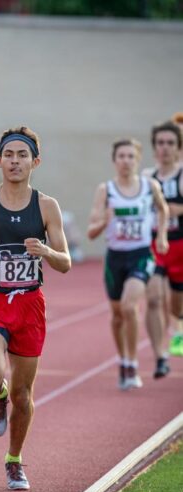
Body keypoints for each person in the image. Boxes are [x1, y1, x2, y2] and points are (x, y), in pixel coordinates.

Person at [0, 126, 71, 491]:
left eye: (22, 155)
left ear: (34, 162)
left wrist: (47, 252)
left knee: (25, 397)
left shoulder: (46, 206)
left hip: (29, 305)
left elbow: (66, 262)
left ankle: (14, 460)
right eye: (8, 155)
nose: (14, 161)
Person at [88, 138, 169, 389]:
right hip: (115, 258)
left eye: (130, 156)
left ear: (138, 159)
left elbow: (163, 210)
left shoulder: (149, 186)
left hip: (141, 254)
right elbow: (91, 231)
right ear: (115, 161)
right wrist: (105, 221)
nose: (126, 161)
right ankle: (123, 358)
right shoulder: (106, 190)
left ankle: (132, 364)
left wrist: (162, 235)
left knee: (129, 306)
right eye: (121, 156)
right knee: (117, 315)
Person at [144, 121, 183, 359]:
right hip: (155, 245)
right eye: (160, 143)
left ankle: (179, 328)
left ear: (178, 148)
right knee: (154, 297)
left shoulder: (181, 175)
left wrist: (167, 209)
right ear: (154, 147)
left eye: (170, 143)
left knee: (176, 305)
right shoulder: (147, 177)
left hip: (180, 246)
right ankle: (160, 353)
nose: (165, 148)